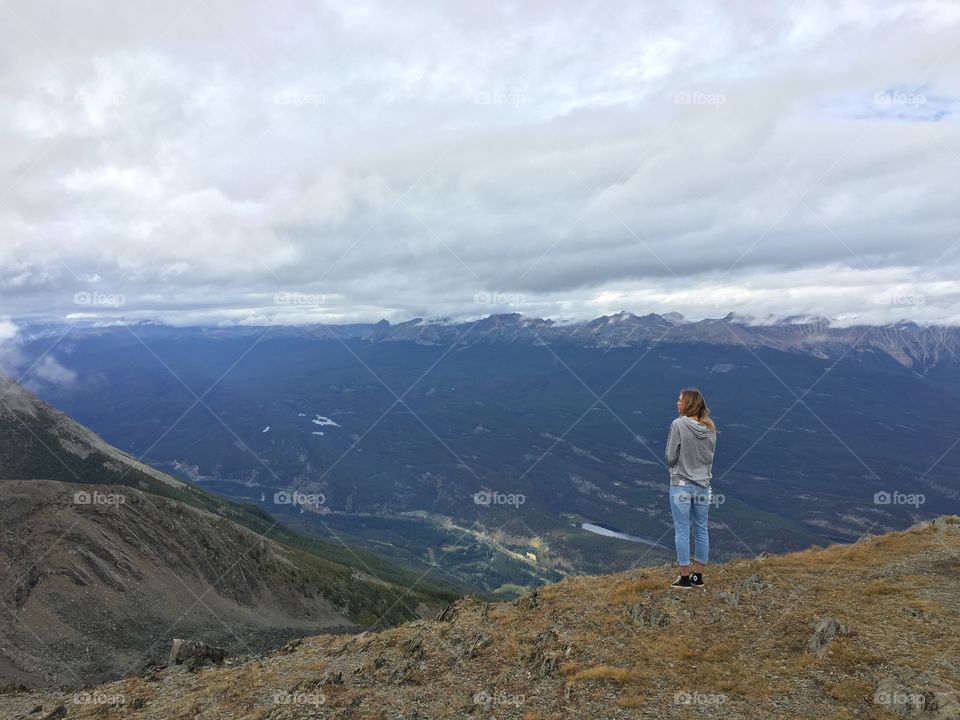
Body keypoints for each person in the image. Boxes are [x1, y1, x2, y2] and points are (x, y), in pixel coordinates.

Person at [665, 388, 717, 589]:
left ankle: (684, 578)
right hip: (704, 485)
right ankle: (698, 577)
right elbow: (709, 457)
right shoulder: (710, 428)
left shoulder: (678, 424)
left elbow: (670, 457)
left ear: (689, 404)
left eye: (680, 400)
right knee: (702, 530)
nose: (677, 403)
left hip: (681, 485)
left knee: (682, 531)